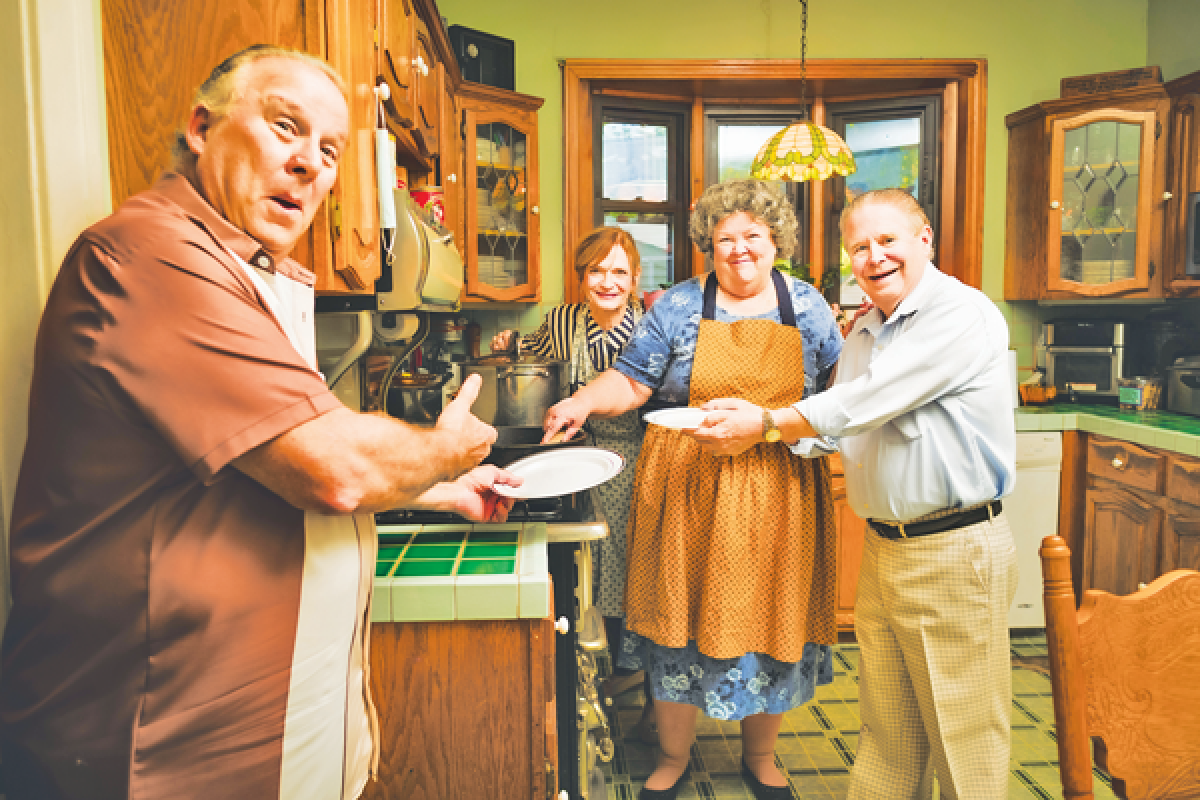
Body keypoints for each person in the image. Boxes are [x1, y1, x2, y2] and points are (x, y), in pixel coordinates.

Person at [0, 45, 516, 800]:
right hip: (156, 753)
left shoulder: (237, 269)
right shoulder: (150, 258)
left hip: (254, 748)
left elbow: (250, 468)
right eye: (285, 127)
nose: (310, 163)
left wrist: (436, 491)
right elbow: (333, 469)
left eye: (330, 149)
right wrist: (443, 449)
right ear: (202, 128)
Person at [697, 188, 1017, 799]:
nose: (874, 257)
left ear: (925, 239)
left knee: (966, 740)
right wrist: (748, 431)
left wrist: (764, 423)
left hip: (953, 550)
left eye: (887, 240)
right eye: (859, 247)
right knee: (889, 736)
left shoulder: (959, 314)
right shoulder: (868, 327)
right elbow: (838, 430)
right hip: (887, 550)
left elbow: (860, 402)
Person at [543, 179, 844, 800]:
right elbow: (629, 383)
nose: (738, 250)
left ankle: (760, 757)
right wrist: (580, 400)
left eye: (752, 237)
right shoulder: (678, 305)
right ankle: (673, 756)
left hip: (779, 487)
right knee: (674, 622)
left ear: (775, 240)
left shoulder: (808, 306)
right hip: (686, 489)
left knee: (772, 618)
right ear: (708, 245)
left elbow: (838, 395)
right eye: (724, 239)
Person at [490, 226, 656, 736]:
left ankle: (652, 696)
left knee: (639, 579)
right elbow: (535, 355)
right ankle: (604, 677)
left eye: (618, 272)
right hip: (577, 461)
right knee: (590, 576)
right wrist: (510, 344)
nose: (607, 281)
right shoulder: (563, 319)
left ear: (634, 280)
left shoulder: (652, 327)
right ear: (582, 276)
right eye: (596, 271)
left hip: (637, 463)